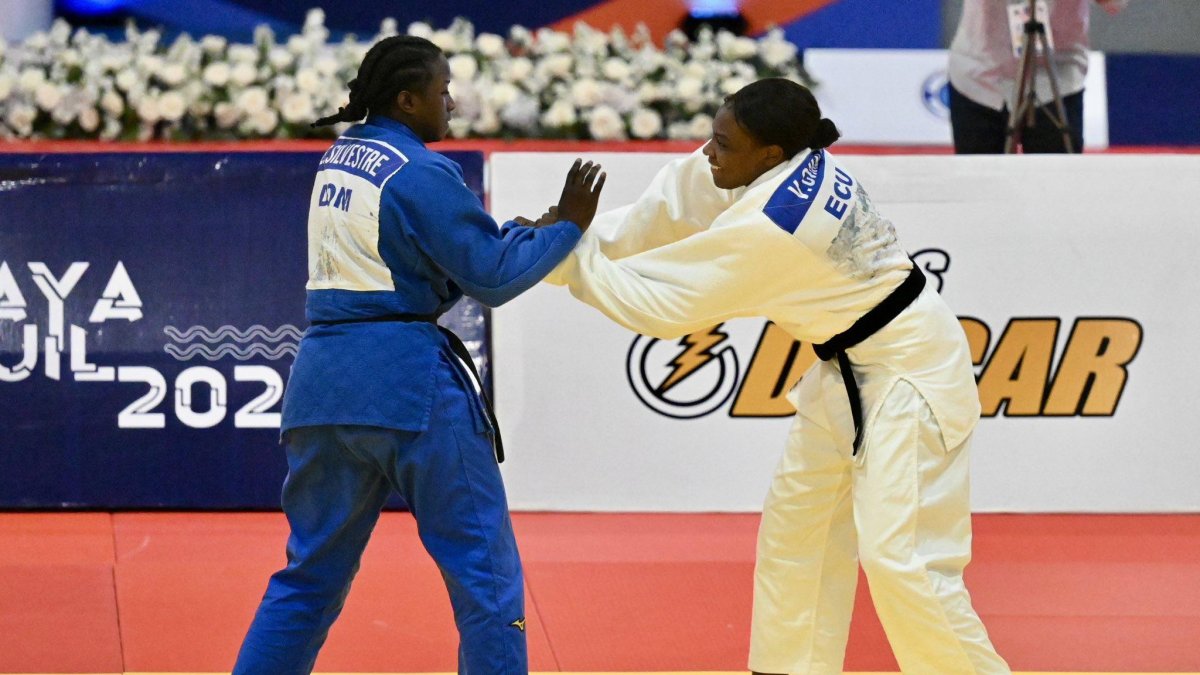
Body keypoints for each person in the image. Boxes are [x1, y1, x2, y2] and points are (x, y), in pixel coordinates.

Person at [544, 78, 1011, 673]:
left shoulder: (780, 223)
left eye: (722, 144)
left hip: (910, 371)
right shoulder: (775, 157)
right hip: (847, 368)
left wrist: (562, 255)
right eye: (712, 136)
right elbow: (670, 207)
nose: (708, 152)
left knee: (905, 560)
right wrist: (568, 236)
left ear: (768, 153)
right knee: (799, 535)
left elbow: (665, 304)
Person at [232, 35, 604, 675]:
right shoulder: (421, 171)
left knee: (308, 578)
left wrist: (524, 233)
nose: (451, 104)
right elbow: (491, 278)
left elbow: (419, 262)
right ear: (407, 100)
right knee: (485, 580)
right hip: (407, 388)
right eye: (442, 90)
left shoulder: (340, 158)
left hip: (322, 386)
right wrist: (568, 225)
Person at [948, 0, 1127, 153]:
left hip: (1057, 79)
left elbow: (1113, 3)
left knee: (1055, 181)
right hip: (979, 76)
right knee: (979, 181)